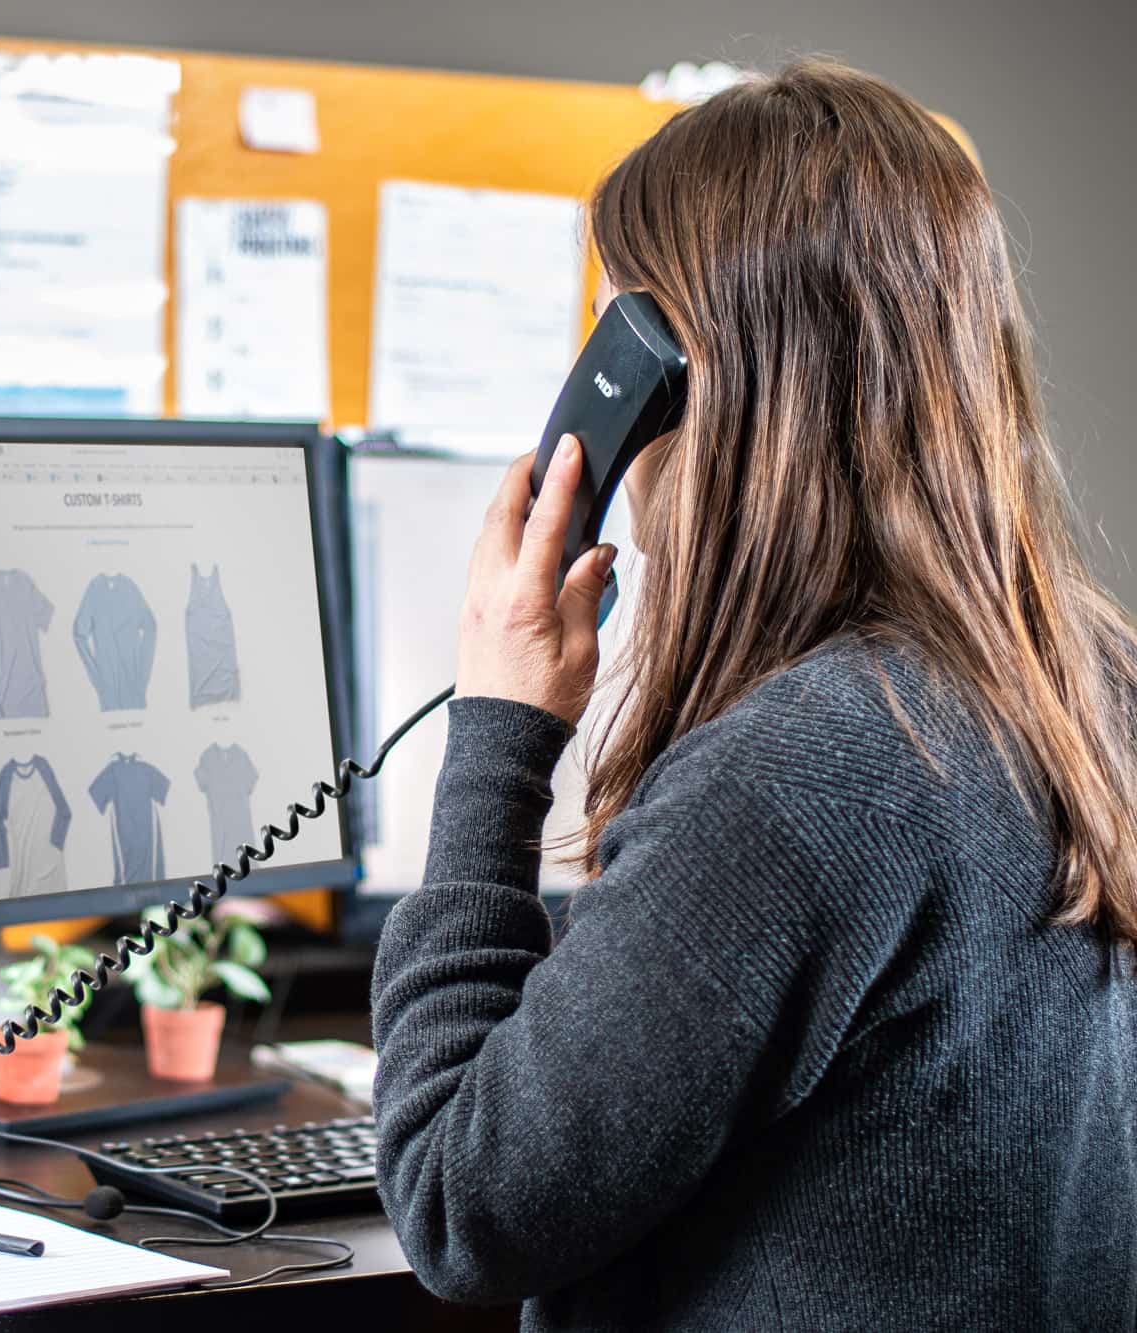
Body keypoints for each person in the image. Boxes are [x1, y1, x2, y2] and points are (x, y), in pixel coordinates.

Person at [370, 60, 1137, 1330]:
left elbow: (460, 1205)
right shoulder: (1088, 683)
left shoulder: (801, 772)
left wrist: (499, 731)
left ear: (687, 381)